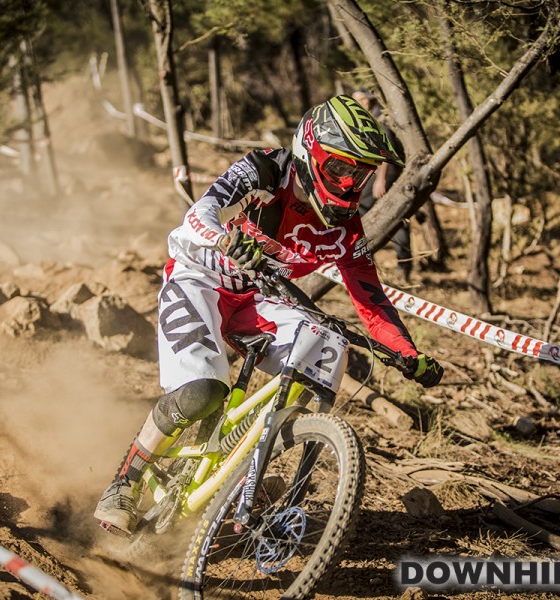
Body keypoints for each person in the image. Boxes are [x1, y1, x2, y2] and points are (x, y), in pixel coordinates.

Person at [94, 95, 443, 536]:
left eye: (361, 173)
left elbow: (370, 300)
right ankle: (124, 483)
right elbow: (197, 215)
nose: (350, 182)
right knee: (203, 392)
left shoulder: (345, 228)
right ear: (311, 151)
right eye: (340, 168)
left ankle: (250, 472)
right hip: (199, 279)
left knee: (326, 348)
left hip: (257, 299)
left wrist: (406, 352)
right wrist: (224, 240)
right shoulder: (265, 170)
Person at [351, 90, 413, 283]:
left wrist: (381, 179)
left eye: (363, 98)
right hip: (369, 174)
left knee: (390, 217)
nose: (360, 102)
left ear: (369, 100)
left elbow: (384, 151)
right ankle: (369, 267)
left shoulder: (378, 120)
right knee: (374, 216)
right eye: (356, 99)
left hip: (381, 175)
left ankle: (403, 268)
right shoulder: (361, 121)